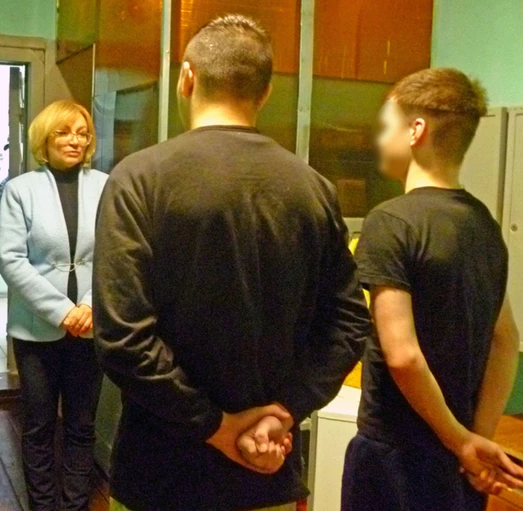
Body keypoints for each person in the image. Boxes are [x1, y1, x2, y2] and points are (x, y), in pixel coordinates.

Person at [93, 14, 371, 511]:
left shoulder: (138, 179)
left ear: (187, 77)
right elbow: (349, 323)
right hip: (267, 469)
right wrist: (284, 411)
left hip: (159, 476)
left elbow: (123, 338)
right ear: (265, 92)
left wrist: (217, 427)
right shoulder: (312, 188)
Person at [341, 68, 523, 511]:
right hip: (457, 462)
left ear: (416, 131)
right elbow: (506, 340)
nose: (379, 139)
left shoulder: (391, 222)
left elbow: (402, 355)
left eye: (386, 126)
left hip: (395, 455)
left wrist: (461, 440)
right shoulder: (484, 225)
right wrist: (475, 438)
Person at [0, 100, 108, 511]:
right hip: (36, 329)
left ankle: (75, 505)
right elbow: (10, 259)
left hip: (91, 326)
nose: (75, 140)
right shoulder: (20, 190)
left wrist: (90, 306)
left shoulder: (107, 185)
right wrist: (62, 311)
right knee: (39, 426)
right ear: (45, 139)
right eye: (64, 132)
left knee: (82, 425)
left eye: (82, 133)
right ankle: (42, 505)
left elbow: (115, 254)